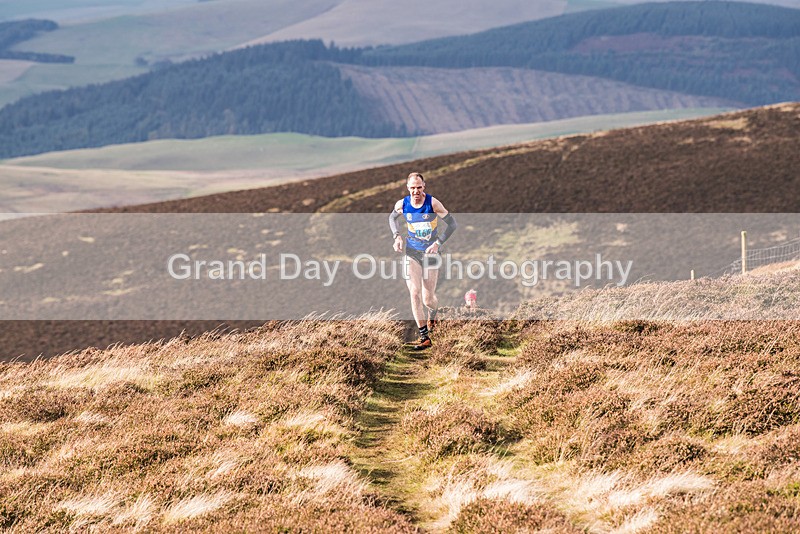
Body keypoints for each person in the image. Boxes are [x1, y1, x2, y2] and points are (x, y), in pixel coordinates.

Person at [389, 172, 457, 350]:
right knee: (414, 293)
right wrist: (397, 236)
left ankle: (433, 312)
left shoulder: (433, 203)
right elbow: (392, 217)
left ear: (424, 186)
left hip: (431, 255)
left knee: (428, 299)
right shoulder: (402, 204)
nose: (416, 191)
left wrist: (438, 243)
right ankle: (424, 337)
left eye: (419, 187)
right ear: (408, 188)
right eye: (412, 188)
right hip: (411, 253)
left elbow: (452, 224)